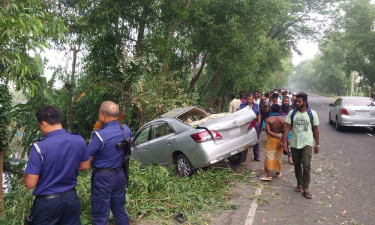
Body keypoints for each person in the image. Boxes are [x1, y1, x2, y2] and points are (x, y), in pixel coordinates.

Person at [24, 106, 90, 224]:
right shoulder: (79, 140)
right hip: (71, 199)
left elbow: (30, 183)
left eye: (40, 126)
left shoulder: (39, 147)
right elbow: (85, 166)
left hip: (47, 204)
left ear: (43, 124)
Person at [88, 101, 132, 225]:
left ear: (103, 116)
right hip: (120, 175)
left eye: (99, 114)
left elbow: (86, 155)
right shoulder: (126, 130)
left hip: (103, 178)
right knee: (119, 210)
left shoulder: (99, 135)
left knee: (100, 215)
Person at [282, 93, 320, 199]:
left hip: (307, 142)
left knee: (306, 165)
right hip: (294, 143)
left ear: (305, 102)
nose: (297, 103)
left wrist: (317, 144)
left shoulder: (312, 113)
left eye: (299, 101)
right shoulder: (292, 113)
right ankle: (300, 183)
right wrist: (284, 141)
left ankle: (306, 187)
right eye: (296, 101)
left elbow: (316, 129)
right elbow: (287, 127)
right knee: (297, 164)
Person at [261, 104, 284, 181]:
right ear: (279, 110)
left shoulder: (268, 119)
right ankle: (278, 172)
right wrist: (280, 137)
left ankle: (269, 175)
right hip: (280, 137)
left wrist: (275, 136)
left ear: (271, 110)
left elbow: (268, 131)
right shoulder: (283, 119)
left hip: (271, 138)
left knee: (270, 155)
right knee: (278, 155)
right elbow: (285, 131)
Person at [238, 94, 261, 161]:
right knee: (245, 140)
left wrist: (258, 123)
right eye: (248, 99)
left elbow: (259, 114)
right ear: (246, 99)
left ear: (253, 99)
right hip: (246, 125)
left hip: (255, 124)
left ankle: (256, 156)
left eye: (250, 99)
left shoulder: (256, 106)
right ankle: (244, 157)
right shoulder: (242, 105)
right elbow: (238, 114)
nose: (249, 100)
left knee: (256, 140)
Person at [280, 96, 293, 165]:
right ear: (282, 102)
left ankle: (290, 158)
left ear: (289, 102)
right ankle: (278, 159)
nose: (286, 102)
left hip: (288, 129)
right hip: (280, 129)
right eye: (285, 101)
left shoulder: (291, 110)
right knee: (280, 144)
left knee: (289, 143)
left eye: (287, 101)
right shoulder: (279, 109)